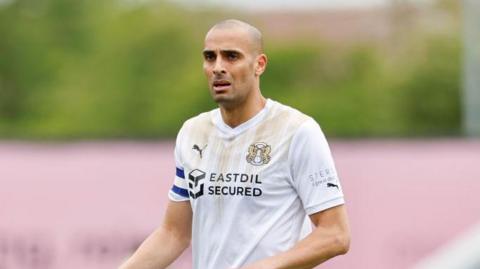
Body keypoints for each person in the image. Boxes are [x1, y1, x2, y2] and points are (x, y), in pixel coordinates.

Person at [119, 19, 350, 269]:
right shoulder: (193, 132)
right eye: (210, 57)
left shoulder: (297, 131)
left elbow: (335, 235)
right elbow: (174, 234)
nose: (218, 67)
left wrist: (264, 266)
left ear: (259, 65)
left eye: (231, 56)